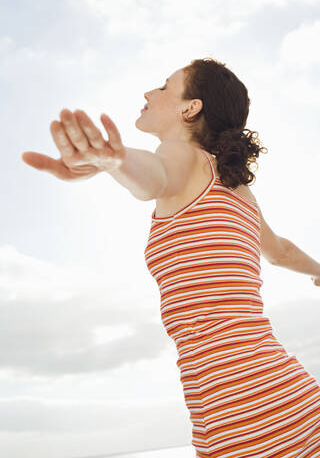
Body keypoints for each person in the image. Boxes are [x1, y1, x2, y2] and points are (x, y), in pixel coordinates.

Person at [22, 57, 320, 456]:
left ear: (190, 107)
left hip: (246, 414)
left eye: (163, 86)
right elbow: (281, 251)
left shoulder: (184, 156)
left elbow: (158, 175)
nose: (148, 93)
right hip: (278, 398)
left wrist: (116, 161)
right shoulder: (236, 191)